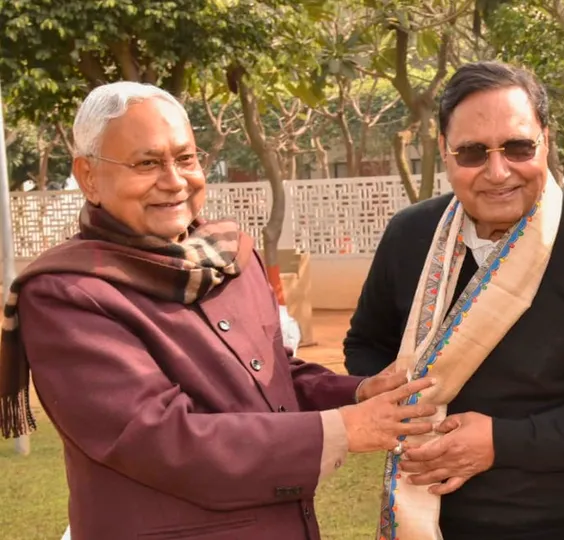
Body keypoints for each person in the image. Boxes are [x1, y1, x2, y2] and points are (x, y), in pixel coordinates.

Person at [0, 81, 437, 540]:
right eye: (146, 162)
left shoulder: (227, 256)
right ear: (88, 176)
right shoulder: (67, 293)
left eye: (185, 158)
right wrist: (344, 428)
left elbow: (271, 377)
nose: (173, 180)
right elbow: (162, 440)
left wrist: (358, 394)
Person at [343, 61, 564, 540]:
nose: (498, 172)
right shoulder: (410, 237)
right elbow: (366, 345)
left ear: (546, 141)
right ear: (444, 151)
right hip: (433, 522)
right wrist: (396, 405)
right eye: (473, 152)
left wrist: (501, 442)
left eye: (518, 147)